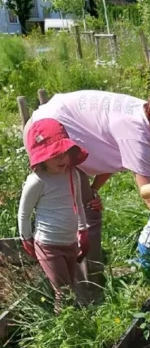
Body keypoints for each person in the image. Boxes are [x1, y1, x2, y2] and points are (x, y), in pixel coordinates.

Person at [30, 91, 150, 273]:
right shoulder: (137, 132)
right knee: (84, 214)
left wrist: (93, 188)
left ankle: (84, 276)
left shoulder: (147, 114)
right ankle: (86, 287)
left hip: (59, 123)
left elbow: (110, 152)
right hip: (48, 135)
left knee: (89, 206)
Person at [18, 119, 89, 308]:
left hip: (70, 243)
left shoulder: (72, 174)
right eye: (55, 154)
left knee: (70, 287)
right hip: (48, 245)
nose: (62, 159)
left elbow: (78, 204)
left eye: (64, 153)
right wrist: (26, 238)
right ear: (42, 157)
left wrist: (83, 230)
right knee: (64, 292)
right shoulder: (38, 181)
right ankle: (66, 329)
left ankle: (70, 326)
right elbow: (24, 213)